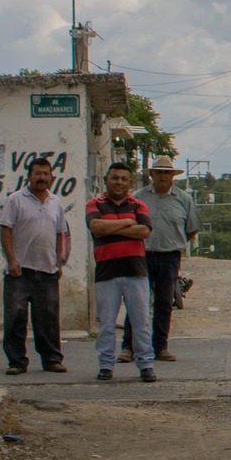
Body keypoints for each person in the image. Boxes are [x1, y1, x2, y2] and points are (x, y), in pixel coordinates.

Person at [0, 156, 70, 376]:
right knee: (15, 317)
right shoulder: (15, 200)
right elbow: (5, 230)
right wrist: (11, 260)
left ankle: (51, 359)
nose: (41, 178)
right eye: (37, 173)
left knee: (48, 318)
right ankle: (17, 361)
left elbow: (60, 234)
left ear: (51, 177)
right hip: (19, 270)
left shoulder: (55, 202)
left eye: (45, 174)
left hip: (47, 270)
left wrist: (58, 262)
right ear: (28, 176)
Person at [86, 160, 156, 383]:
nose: (119, 182)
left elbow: (144, 231)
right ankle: (106, 365)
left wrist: (111, 226)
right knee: (106, 323)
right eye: (115, 178)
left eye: (124, 179)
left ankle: (146, 364)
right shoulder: (94, 204)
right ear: (107, 180)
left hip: (135, 271)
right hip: (107, 272)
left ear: (130, 182)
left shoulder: (139, 204)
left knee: (141, 321)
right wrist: (127, 222)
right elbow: (96, 227)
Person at [130, 154, 199, 363]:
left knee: (164, 302)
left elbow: (191, 229)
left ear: (172, 176)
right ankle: (129, 347)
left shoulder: (183, 199)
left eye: (166, 173)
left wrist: (173, 243)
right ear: (152, 174)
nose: (163, 177)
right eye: (159, 172)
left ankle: (160, 346)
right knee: (137, 301)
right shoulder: (138, 197)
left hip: (169, 256)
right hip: (142, 255)